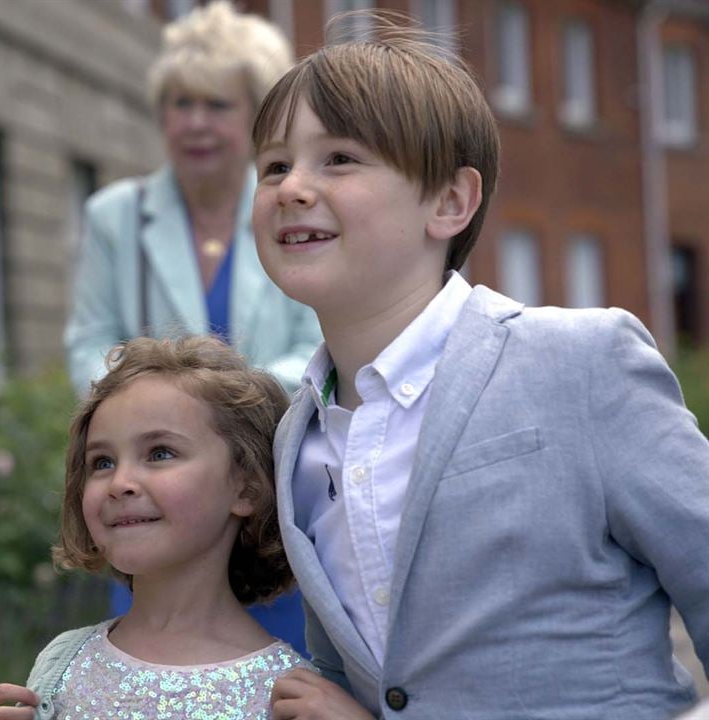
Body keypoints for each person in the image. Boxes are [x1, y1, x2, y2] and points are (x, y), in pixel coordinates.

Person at [249, 11, 709, 719]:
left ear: (449, 202)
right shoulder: (296, 439)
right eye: (274, 166)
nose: (291, 186)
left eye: (337, 158)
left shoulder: (581, 363)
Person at [64, 0, 320, 653]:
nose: (195, 124)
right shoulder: (114, 216)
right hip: (159, 498)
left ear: (256, 119)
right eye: (180, 105)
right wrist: (150, 410)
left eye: (217, 105)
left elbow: (315, 341)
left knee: (278, 668)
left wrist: (228, 410)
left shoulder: (286, 208)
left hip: (269, 486)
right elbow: (88, 342)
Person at [0, 336, 320, 720]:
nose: (119, 482)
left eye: (160, 453)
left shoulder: (290, 698)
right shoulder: (61, 664)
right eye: (102, 462)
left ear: (248, 487)